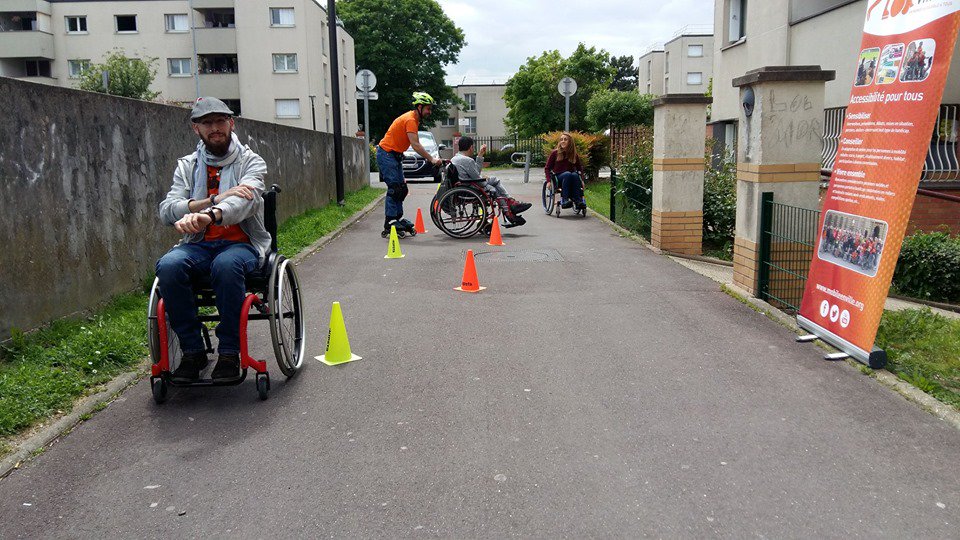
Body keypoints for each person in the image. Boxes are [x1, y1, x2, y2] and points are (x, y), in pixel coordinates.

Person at [156, 97, 270, 383]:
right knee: (168, 266)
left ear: (231, 123)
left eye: (220, 121)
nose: (215, 127)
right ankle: (193, 352)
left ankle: (230, 352)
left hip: (241, 244)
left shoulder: (250, 161)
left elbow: (247, 202)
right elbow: (167, 209)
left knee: (226, 265)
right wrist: (211, 201)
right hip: (198, 245)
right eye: (207, 123)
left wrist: (212, 215)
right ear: (197, 129)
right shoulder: (187, 166)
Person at [376, 91, 443, 236]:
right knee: (394, 188)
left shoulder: (414, 119)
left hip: (395, 155)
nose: (429, 112)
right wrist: (431, 159)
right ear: (419, 106)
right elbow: (416, 145)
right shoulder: (411, 120)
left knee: (402, 189)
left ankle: (397, 218)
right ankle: (390, 221)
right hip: (386, 154)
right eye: (428, 109)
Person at [450, 136, 532, 227]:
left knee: (494, 180)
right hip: (470, 187)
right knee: (493, 188)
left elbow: (476, 173)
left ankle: (510, 204)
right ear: (471, 147)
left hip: (464, 185)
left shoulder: (455, 158)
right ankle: (509, 210)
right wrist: (484, 180)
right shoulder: (467, 160)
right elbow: (479, 179)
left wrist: (480, 155)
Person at [545, 132, 586, 210]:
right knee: (568, 174)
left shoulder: (574, 154)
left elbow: (579, 169)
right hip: (558, 177)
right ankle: (565, 200)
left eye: (565, 139)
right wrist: (548, 181)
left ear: (570, 142)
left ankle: (578, 201)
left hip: (571, 177)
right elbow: (547, 168)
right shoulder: (555, 153)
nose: (563, 141)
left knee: (574, 175)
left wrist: (582, 181)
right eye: (561, 139)